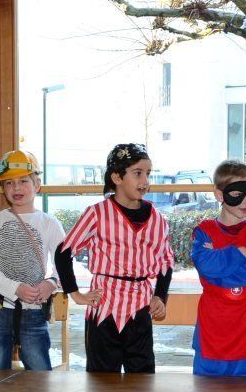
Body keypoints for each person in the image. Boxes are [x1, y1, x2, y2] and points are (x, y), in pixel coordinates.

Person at [54, 143, 173, 373]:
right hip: (104, 309)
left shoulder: (158, 219)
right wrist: (75, 293)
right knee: (101, 381)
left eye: (148, 173)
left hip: (140, 310)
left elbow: (166, 262)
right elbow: (64, 251)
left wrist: (160, 295)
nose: (145, 181)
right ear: (117, 177)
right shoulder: (97, 214)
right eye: (137, 173)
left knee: (142, 380)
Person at [0, 150, 63, 370]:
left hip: (33, 311)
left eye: (23, 181)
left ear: (37, 184)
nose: (16, 188)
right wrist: (15, 288)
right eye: (9, 183)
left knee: (40, 378)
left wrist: (51, 283)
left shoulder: (50, 224)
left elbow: (64, 265)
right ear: (2, 188)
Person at [190, 160, 246, 377]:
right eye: (238, 193)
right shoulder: (203, 231)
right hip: (213, 326)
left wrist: (218, 271)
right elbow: (205, 266)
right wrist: (240, 253)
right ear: (219, 195)